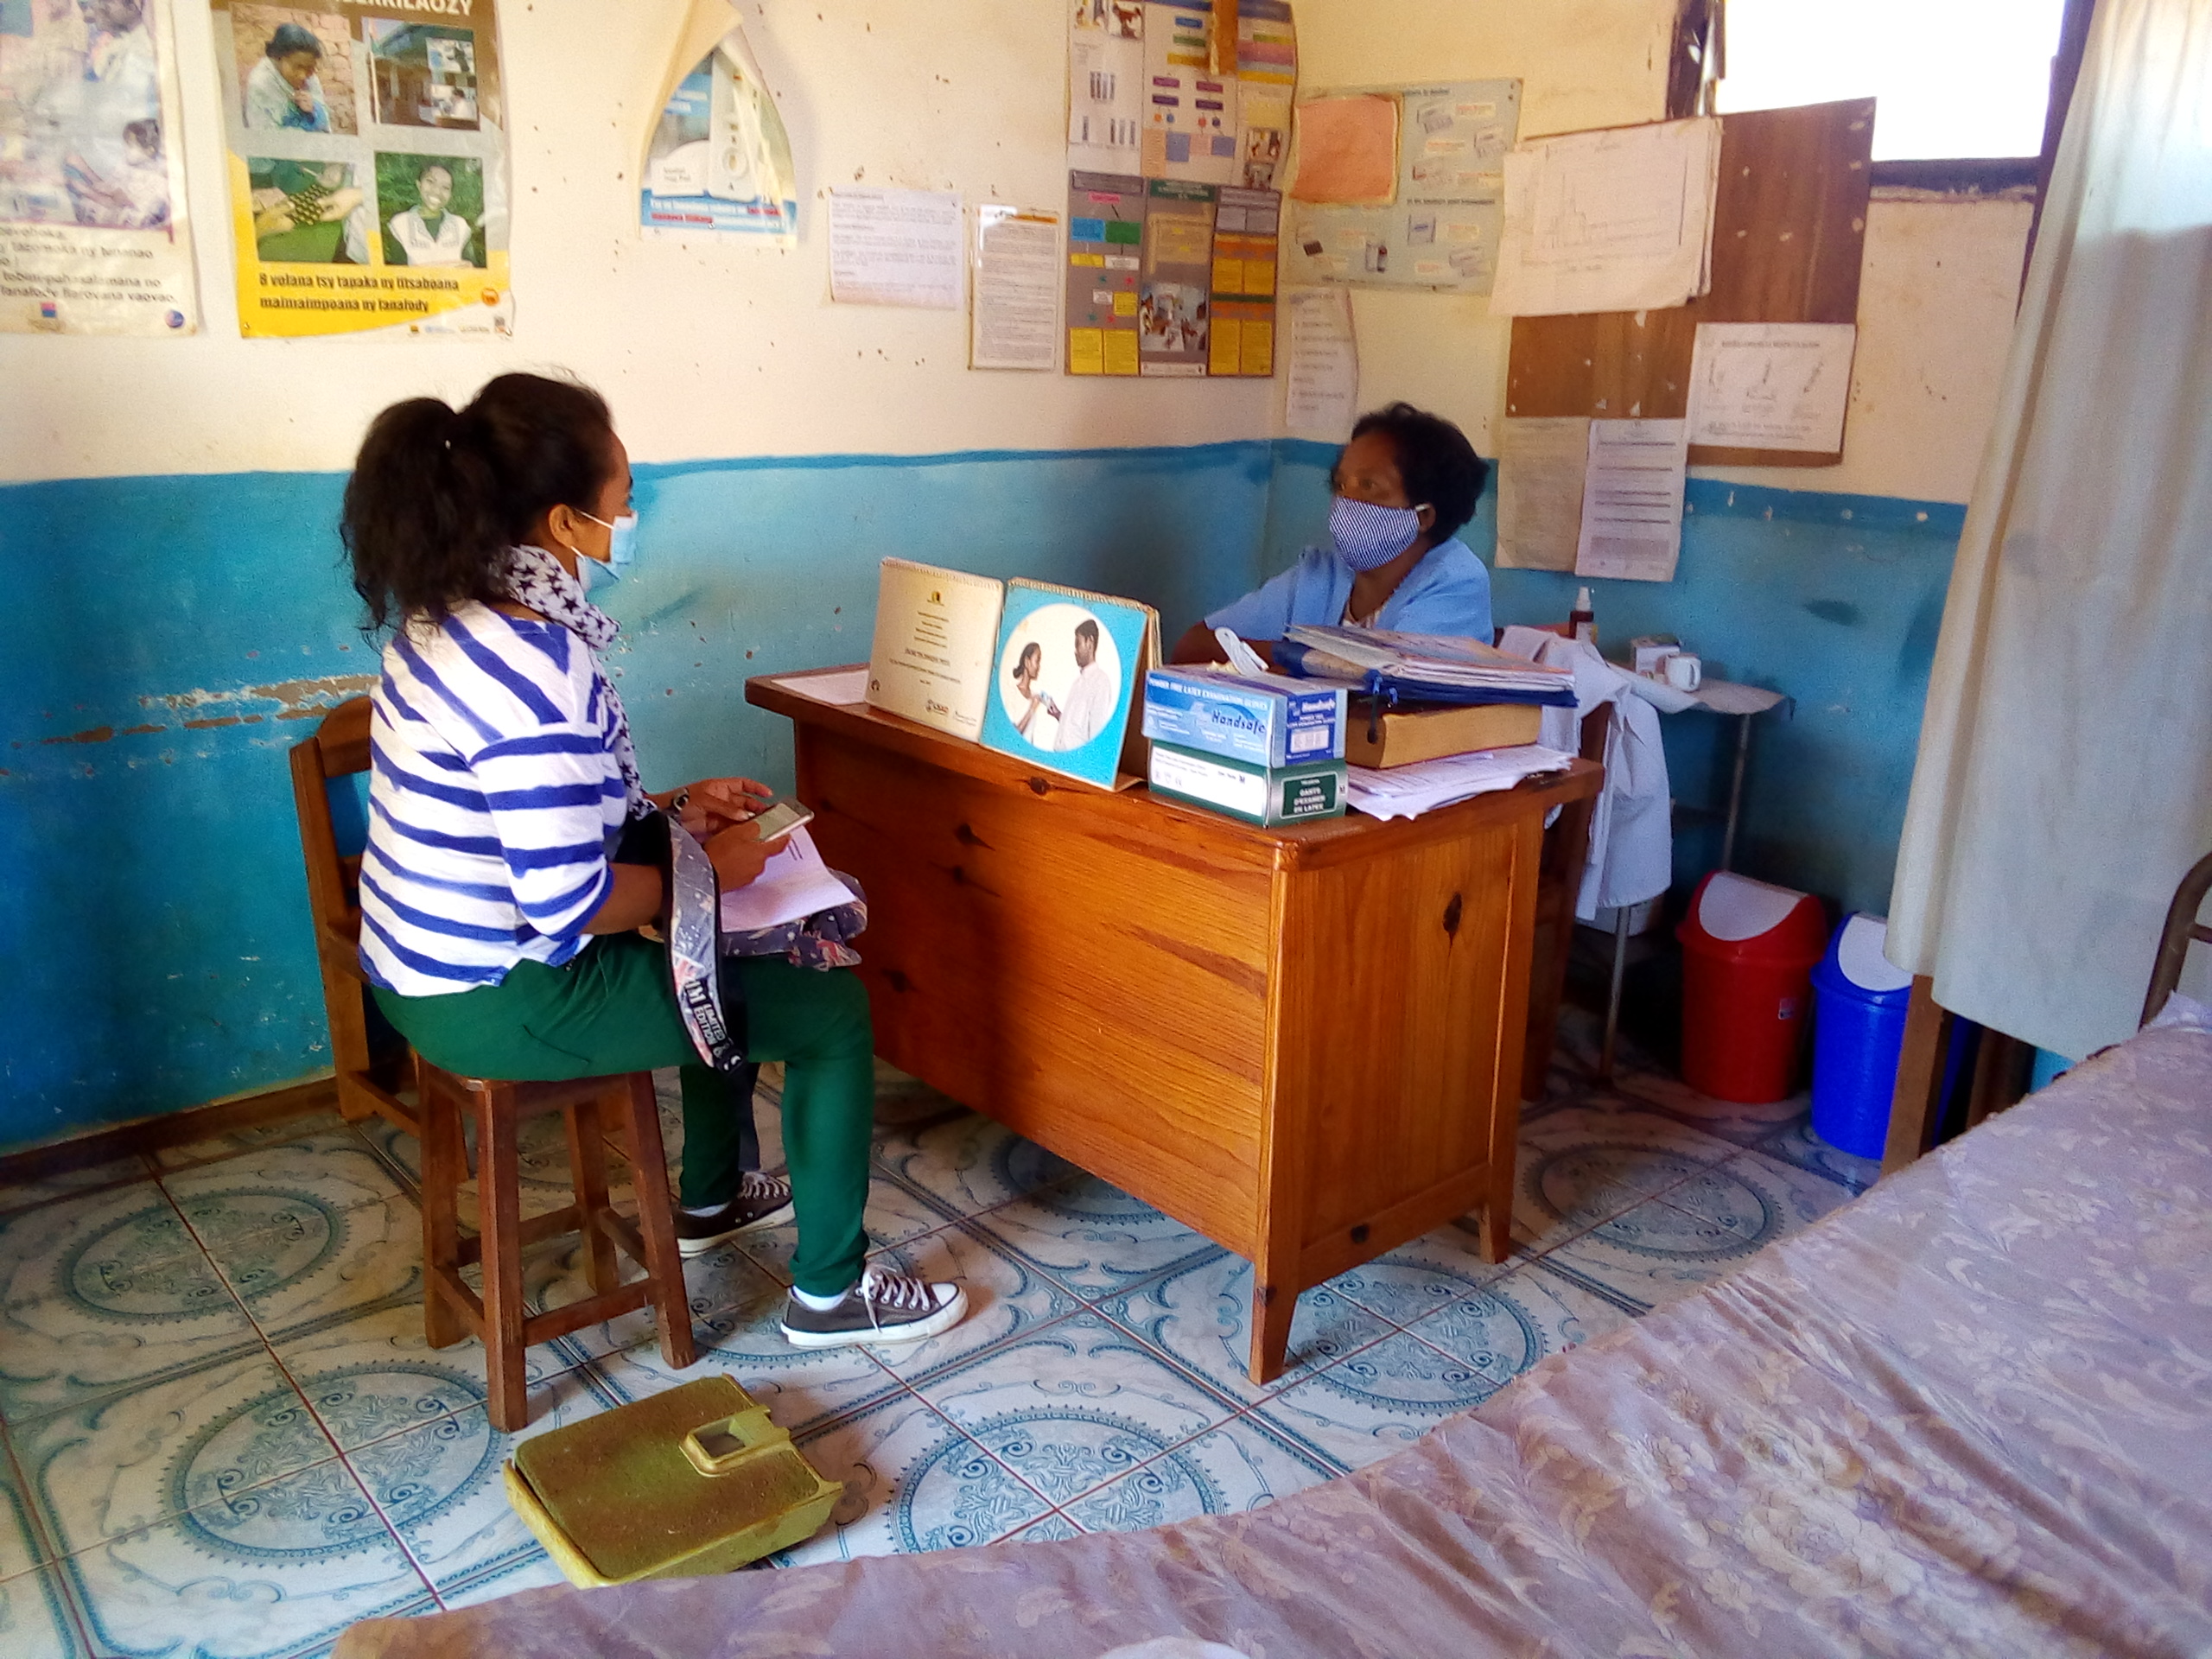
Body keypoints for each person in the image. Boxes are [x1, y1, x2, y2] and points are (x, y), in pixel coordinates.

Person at [342, 372, 968, 1351]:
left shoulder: (451, 619)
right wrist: (714, 871)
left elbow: (549, 812)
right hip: (500, 996)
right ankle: (831, 1296)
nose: (633, 514)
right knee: (830, 1008)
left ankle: (715, 1196)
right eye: (623, 496)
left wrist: (674, 811)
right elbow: (569, 903)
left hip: (423, 969)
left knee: (725, 948)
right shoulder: (532, 664)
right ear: (564, 520)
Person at [1173, 402, 1491, 666]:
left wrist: (1265, 659)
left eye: (1368, 486)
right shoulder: (1321, 573)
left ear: (1423, 516)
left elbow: (1390, 685)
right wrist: (1308, 661)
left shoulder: (1456, 583)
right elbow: (1194, 647)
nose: (1345, 501)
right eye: (1341, 484)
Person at [244, 22, 331, 131]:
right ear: (278, 58)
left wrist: (315, 110)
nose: (302, 75)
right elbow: (264, 137)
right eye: (297, 67)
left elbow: (326, 129)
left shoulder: (311, 78)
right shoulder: (261, 85)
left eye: (309, 68)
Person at [386, 162, 473, 265]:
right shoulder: (400, 224)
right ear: (419, 185)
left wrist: (470, 267)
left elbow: (473, 267)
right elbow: (396, 272)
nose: (437, 191)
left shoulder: (460, 225)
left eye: (445, 187)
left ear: (451, 194)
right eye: (431, 182)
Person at [1055, 617, 1116, 750]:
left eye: (1078, 644)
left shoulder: (1101, 683)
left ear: (1090, 642)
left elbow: (1095, 735)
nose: (1075, 651)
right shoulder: (1077, 683)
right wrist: (1058, 715)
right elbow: (1074, 729)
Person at [1008, 639, 1058, 741]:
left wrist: (1054, 710)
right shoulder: (1012, 693)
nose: (1039, 667)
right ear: (1027, 662)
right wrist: (1032, 709)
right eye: (1037, 661)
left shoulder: (1035, 696)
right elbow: (1013, 736)